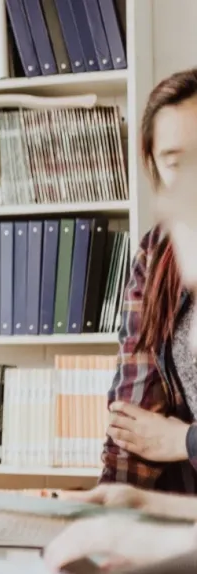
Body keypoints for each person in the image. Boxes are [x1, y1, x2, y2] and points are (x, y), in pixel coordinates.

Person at [101, 67, 197, 494]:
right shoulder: (158, 253)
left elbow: (164, 438)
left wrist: (182, 440)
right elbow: (133, 416)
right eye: (177, 162)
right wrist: (109, 504)